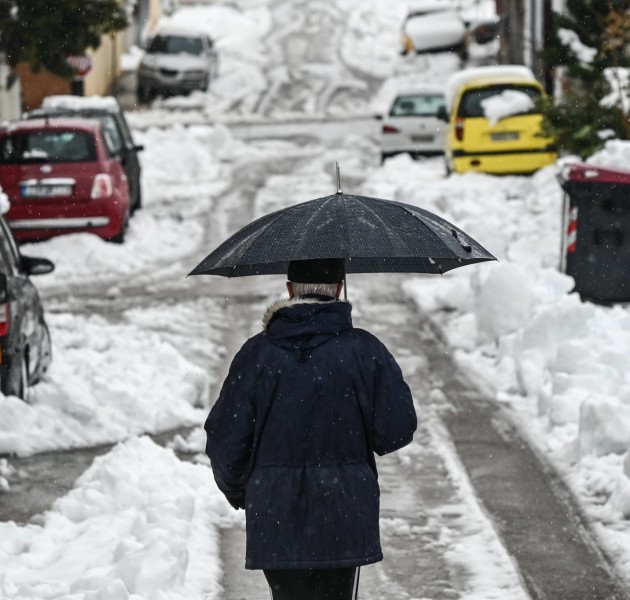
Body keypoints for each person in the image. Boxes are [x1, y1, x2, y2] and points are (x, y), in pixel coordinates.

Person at [205, 257, 417, 600]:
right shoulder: (364, 350)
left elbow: (225, 440)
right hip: (344, 512)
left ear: (290, 291)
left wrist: (245, 491)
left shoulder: (255, 354)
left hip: (275, 512)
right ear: (338, 289)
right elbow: (396, 430)